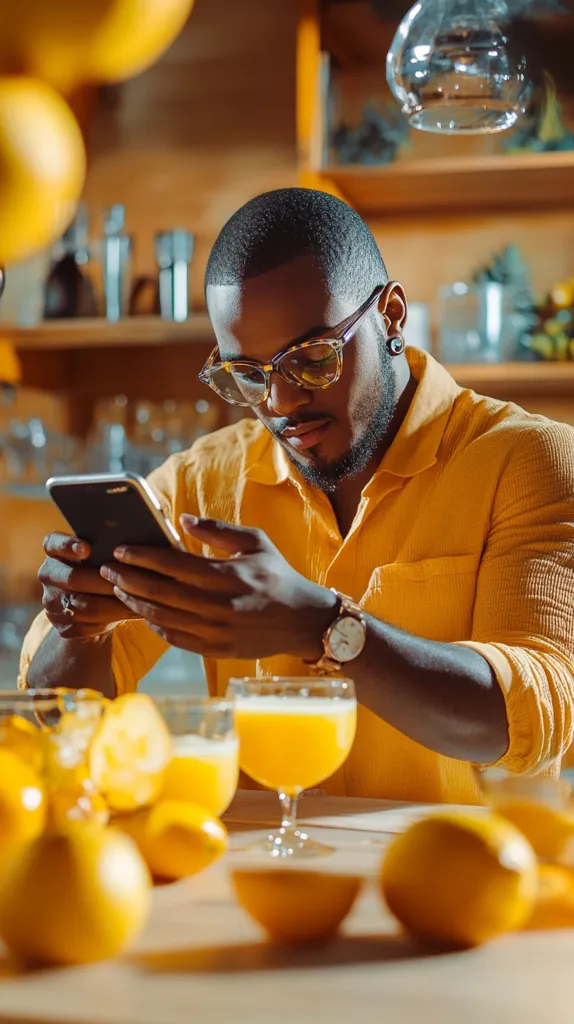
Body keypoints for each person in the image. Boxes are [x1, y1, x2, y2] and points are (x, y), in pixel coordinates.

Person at [20, 188, 574, 803]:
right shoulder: (202, 482)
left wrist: (320, 626)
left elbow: (535, 719)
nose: (281, 404)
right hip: (260, 877)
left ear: (391, 314)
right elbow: (52, 718)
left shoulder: (528, 459)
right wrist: (81, 624)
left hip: (459, 879)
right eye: (249, 375)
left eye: (312, 359)